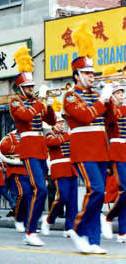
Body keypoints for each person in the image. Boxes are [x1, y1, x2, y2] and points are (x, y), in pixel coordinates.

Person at [63, 23, 111, 254]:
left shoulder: (97, 95)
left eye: (93, 73)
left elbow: (110, 120)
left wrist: (116, 100)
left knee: (99, 196)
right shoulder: (70, 97)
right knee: (97, 190)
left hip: (101, 150)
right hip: (83, 150)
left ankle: (93, 241)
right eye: (88, 74)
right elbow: (85, 116)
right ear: (77, 75)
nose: (92, 77)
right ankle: (77, 228)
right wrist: (103, 99)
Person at [9, 46, 56, 246]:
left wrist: (50, 104)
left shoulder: (36, 102)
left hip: (41, 147)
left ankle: (30, 227)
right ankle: (30, 231)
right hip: (28, 147)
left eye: (32, 86)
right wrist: (41, 101)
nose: (31, 89)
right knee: (40, 189)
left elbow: (52, 121)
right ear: (20, 88)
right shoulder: (15, 102)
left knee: (41, 189)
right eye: (27, 87)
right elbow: (26, 116)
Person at [41, 112, 78, 238]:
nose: (62, 125)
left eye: (63, 122)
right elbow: (53, 143)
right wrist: (69, 134)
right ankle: (49, 220)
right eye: (59, 122)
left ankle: (70, 227)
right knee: (63, 197)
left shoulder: (67, 135)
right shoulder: (49, 135)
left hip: (72, 169)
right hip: (59, 169)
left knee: (73, 201)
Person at [102, 80, 126, 243]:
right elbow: (109, 116)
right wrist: (108, 95)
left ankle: (123, 232)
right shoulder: (110, 111)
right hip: (117, 153)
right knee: (125, 190)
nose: (121, 96)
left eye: (122, 93)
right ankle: (109, 217)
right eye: (118, 94)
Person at [0, 130, 32, 233]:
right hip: (16, 170)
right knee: (22, 195)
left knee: (29, 198)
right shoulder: (10, 137)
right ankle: (18, 219)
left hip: (29, 170)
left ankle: (27, 223)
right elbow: (4, 148)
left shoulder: (31, 135)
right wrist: (25, 149)